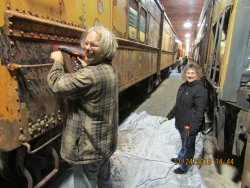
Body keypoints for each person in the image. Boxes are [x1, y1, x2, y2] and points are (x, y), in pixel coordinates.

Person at [47, 26, 119, 188]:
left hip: (89, 148)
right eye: (86, 43)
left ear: (105, 49)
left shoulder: (89, 75)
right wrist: (87, 66)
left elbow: (56, 85)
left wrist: (58, 62)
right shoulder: (108, 69)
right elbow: (94, 80)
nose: (87, 48)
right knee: (104, 180)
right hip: (104, 143)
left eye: (93, 45)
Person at [166, 63, 208, 174]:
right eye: (188, 73)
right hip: (181, 122)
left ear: (197, 74)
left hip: (190, 125)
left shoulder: (200, 90)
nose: (190, 75)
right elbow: (178, 104)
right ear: (185, 74)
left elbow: (200, 111)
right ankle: (181, 157)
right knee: (183, 142)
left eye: (192, 73)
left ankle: (185, 167)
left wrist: (194, 128)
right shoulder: (184, 86)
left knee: (189, 146)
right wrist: (172, 113)